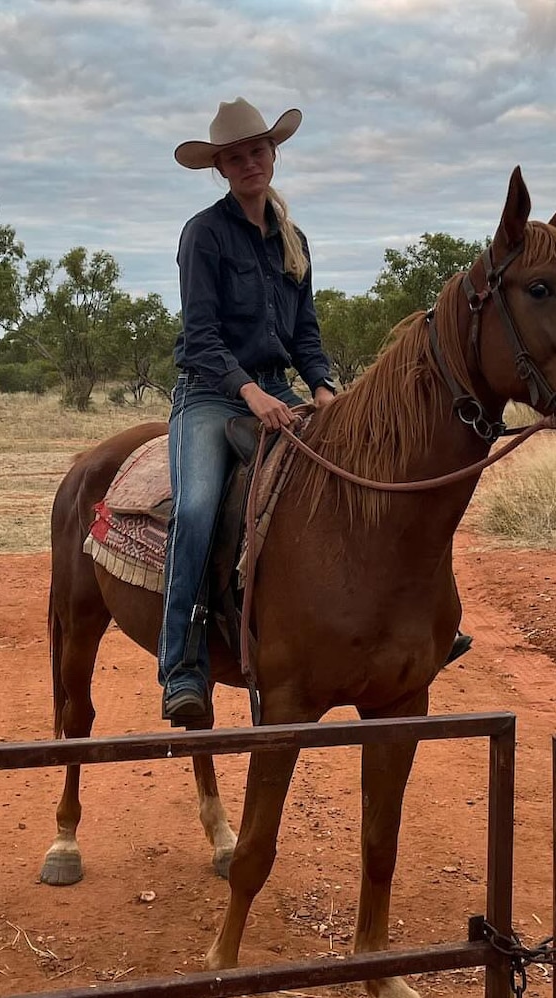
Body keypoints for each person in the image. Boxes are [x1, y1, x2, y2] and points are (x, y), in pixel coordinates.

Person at [159, 97, 337, 726]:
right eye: (235, 157)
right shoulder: (204, 234)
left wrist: (321, 387)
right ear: (221, 169)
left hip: (278, 389)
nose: (248, 163)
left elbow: (306, 335)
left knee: (345, 477)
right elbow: (200, 335)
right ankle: (182, 665)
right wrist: (249, 392)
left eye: (257, 151)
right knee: (198, 504)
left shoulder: (294, 240)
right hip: (209, 394)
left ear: (272, 154)